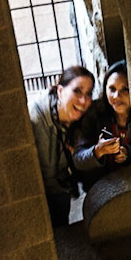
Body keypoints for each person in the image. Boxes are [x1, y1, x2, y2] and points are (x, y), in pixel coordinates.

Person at [28, 64, 93, 226]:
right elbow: (47, 175)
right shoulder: (38, 119)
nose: (83, 100)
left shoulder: (78, 118)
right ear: (60, 91)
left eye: (88, 94)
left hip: (62, 185)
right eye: (77, 91)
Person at [73, 60, 131, 191]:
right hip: (101, 187)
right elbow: (78, 159)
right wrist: (97, 151)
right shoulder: (95, 114)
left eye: (125, 89)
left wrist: (127, 153)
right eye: (112, 89)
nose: (116, 96)